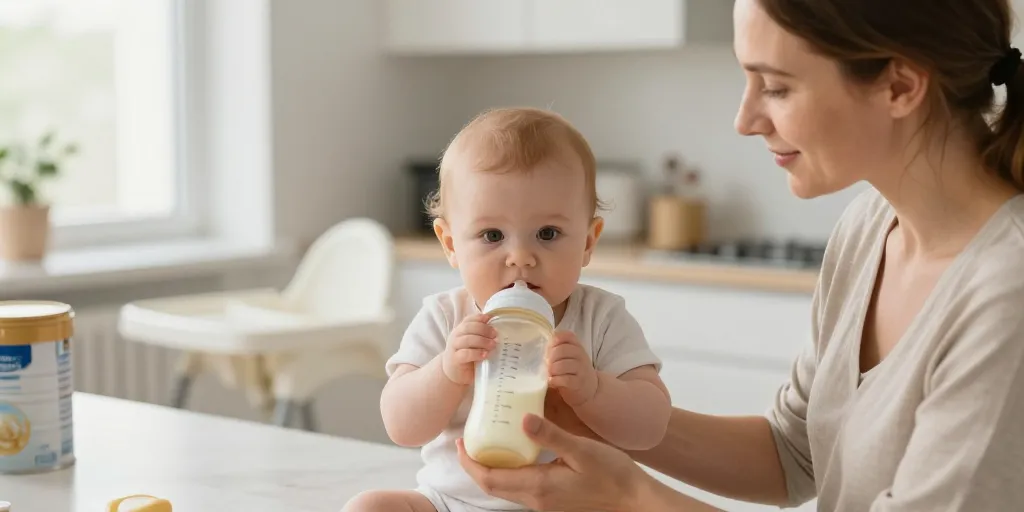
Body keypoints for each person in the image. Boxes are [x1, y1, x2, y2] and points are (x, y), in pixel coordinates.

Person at [456, 0, 1024, 510]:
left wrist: (629, 499)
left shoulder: (1007, 295)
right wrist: (593, 413)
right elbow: (792, 453)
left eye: (775, 87)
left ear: (899, 87)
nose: (745, 120)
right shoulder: (871, 227)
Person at [342, 107, 673, 512]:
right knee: (370, 507)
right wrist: (447, 370)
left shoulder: (601, 318)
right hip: (450, 502)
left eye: (547, 233)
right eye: (492, 235)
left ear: (588, 242)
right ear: (450, 244)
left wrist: (594, 389)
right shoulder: (446, 316)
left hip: (570, 506)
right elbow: (401, 425)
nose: (520, 257)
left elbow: (650, 427)